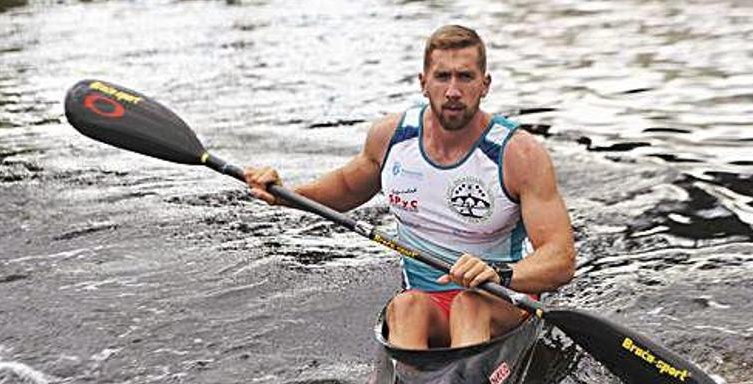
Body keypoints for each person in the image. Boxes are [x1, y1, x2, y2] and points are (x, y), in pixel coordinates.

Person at [245, 25, 574, 349]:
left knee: (469, 303)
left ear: (485, 85)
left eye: (466, 77)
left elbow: (560, 258)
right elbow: (346, 187)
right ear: (423, 83)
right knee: (404, 307)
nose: (453, 91)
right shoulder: (392, 137)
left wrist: (498, 274)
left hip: (498, 301)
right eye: (443, 77)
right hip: (425, 303)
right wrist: (283, 195)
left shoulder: (519, 154)